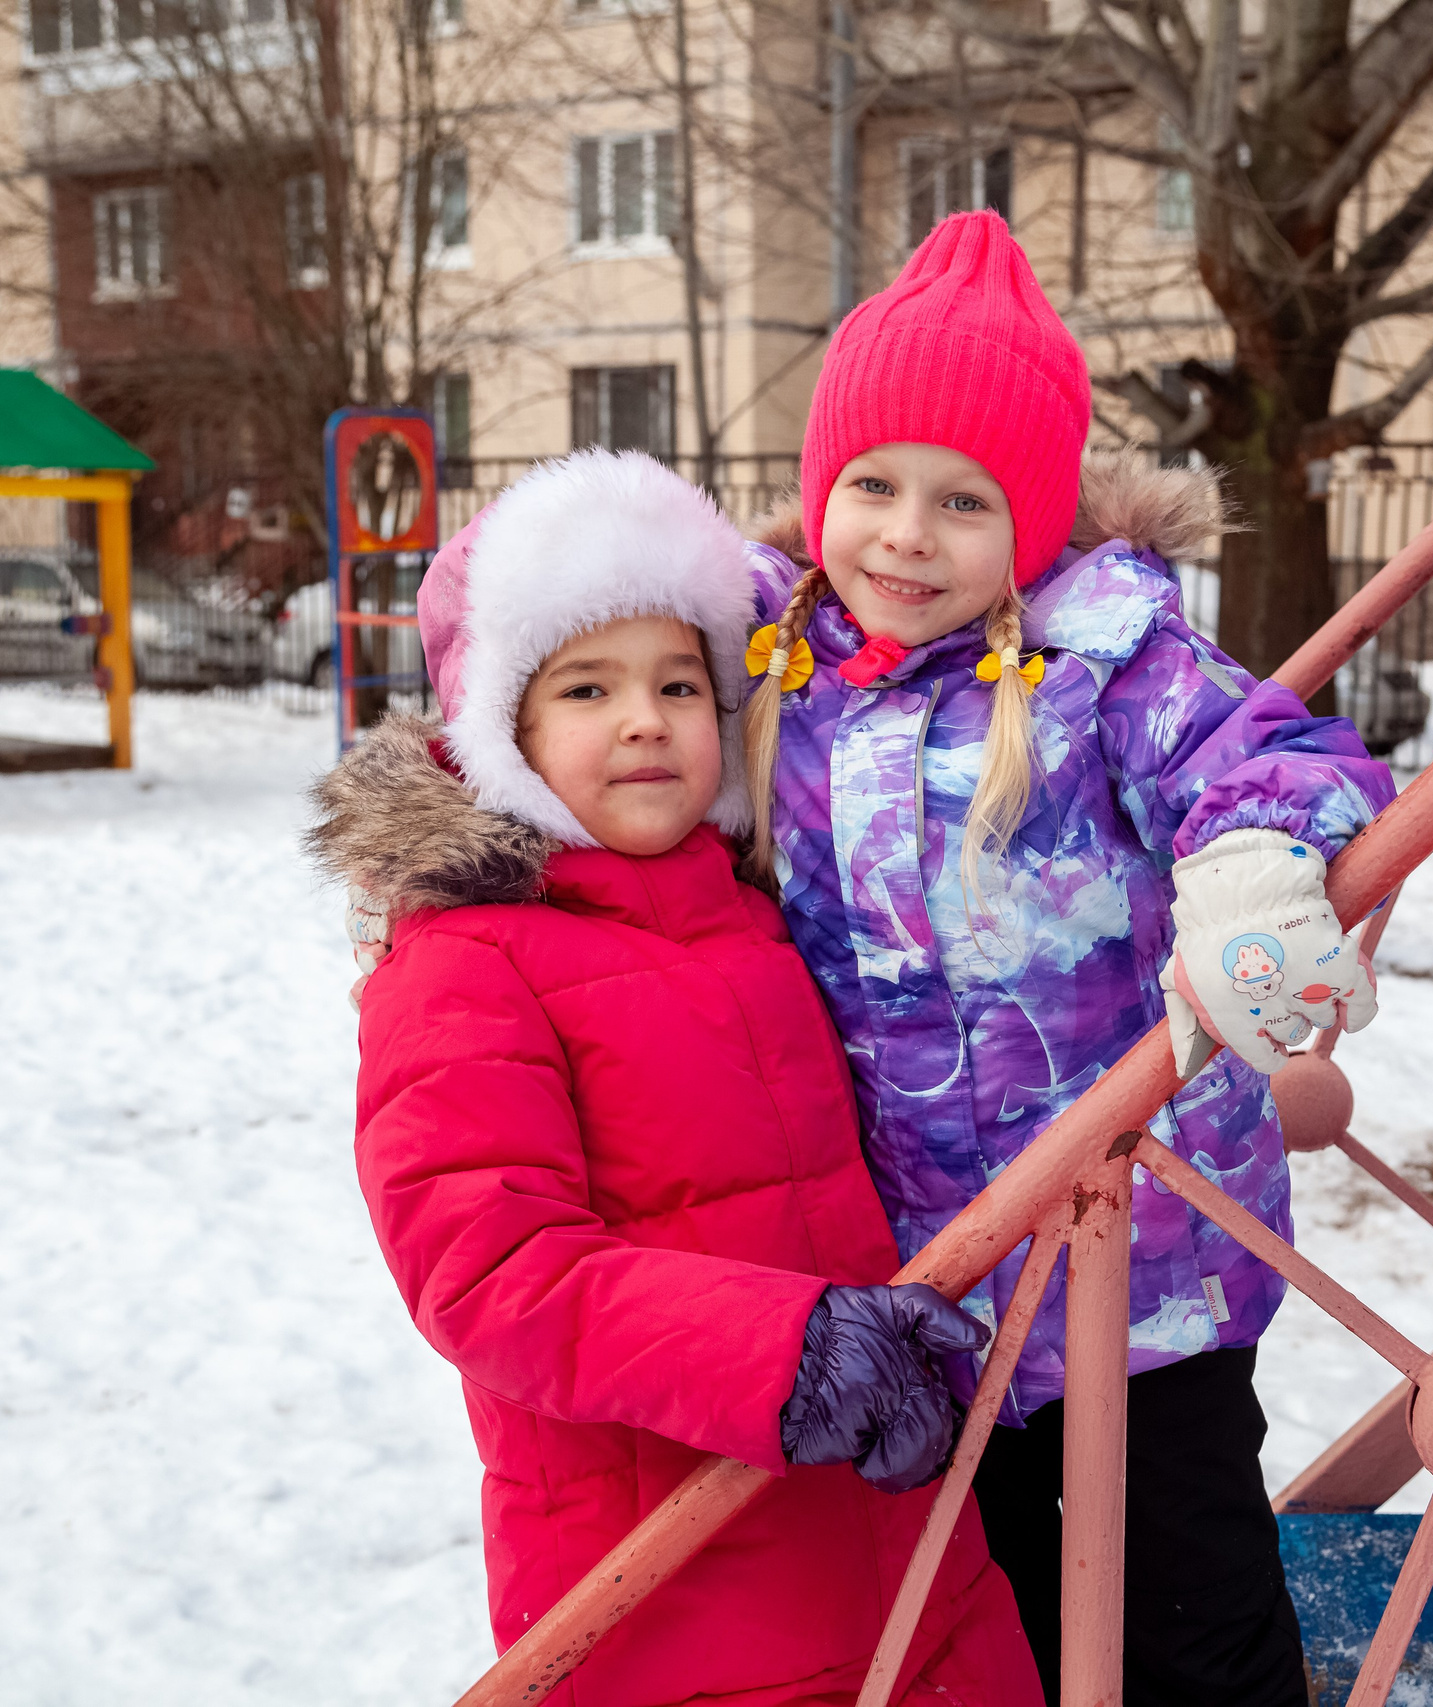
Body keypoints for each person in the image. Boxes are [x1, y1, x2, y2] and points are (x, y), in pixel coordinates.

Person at [737, 210, 1398, 1707]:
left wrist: (1243, 873)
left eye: (964, 500)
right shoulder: (782, 671)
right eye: (872, 486)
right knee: (1010, 1618)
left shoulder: (1108, 660)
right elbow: (602, 732)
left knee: (1187, 1607)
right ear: (817, 492)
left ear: (1031, 521)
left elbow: (1272, 756)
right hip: (938, 1270)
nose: (907, 535)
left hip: (1146, 1270)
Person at [310, 449, 1042, 1707]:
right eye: (588, 688)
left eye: (680, 683)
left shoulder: (758, 915)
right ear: (504, 737)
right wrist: (785, 1355)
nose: (646, 718)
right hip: (675, 1585)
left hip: (901, 1554)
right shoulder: (467, 963)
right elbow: (489, 1269)